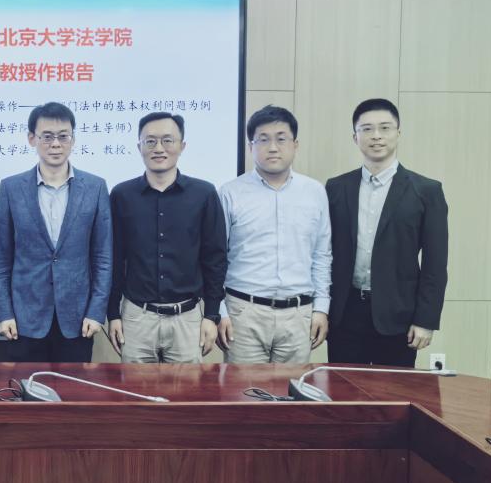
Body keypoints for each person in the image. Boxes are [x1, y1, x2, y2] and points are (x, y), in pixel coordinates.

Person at [326, 98, 448, 367]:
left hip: (399, 316)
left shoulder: (427, 191)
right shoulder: (336, 188)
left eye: (385, 128)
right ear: (355, 137)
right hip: (345, 314)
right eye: (367, 129)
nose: (376, 136)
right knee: (344, 389)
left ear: (398, 133)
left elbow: (435, 264)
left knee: (393, 391)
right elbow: (325, 254)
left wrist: (425, 320)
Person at [0, 101, 112, 363]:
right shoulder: (11, 188)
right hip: (24, 318)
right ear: (32, 139)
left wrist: (96, 311)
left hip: (78, 319)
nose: (55, 144)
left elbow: (103, 257)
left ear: (73, 140)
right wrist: (4, 312)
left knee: (72, 387)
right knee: (26, 387)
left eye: (63, 136)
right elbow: (1, 257)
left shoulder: (95, 187)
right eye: (47, 136)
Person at [108, 112, 227, 363]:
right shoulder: (121, 195)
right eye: (150, 141)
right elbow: (114, 260)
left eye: (167, 140)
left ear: (182, 146)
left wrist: (211, 315)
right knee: (135, 388)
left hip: (187, 318)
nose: (159, 148)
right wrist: (113, 315)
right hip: (136, 317)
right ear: (139, 147)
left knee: (186, 389)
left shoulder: (204, 194)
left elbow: (215, 259)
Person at [218, 105, 331, 364]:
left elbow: (322, 255)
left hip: (298, 314)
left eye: (281, 139)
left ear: (295, 145)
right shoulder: (230, 192)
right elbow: (216, 257)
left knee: (292, 389)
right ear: (250, 146)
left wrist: (321, 309)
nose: (272, 147)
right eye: (263, 139)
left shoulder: (314, 192)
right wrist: (220, 311)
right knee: (243, 389)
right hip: (243, 313)